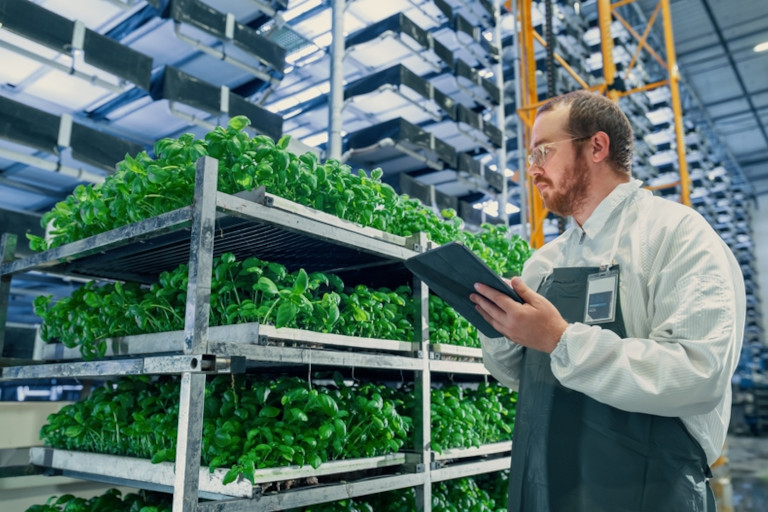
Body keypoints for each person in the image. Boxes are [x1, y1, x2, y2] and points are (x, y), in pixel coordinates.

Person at [470, 90, 746, 512]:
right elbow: (518, 377)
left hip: (648, 490)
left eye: (543, 152)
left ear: (597, 146)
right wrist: (501, 329)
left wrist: (561, 340)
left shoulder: (677, 235)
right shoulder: (544, 262)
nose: (532, 170)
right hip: (544, 484)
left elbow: (698, 374)